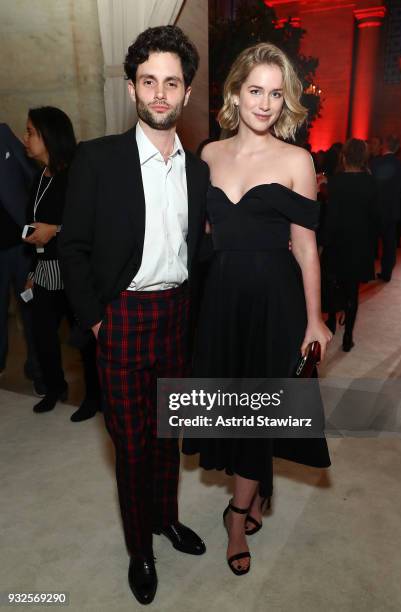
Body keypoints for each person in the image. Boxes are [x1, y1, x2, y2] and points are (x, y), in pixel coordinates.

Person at [59, 26, 209, 605]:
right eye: (149, 81)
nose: (161, 93)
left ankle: (167, 520)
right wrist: (97, 319)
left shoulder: (197, 171)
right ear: (131, 89)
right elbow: (72, 249)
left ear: (187, 92)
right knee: (131, 442)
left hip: (176, 317)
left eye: (172, 82)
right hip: (121, 317)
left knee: (167, 433)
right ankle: (139, 549)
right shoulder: (98, 160)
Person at [183, 43, 332, 576]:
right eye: (255, 90)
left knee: (258, 415)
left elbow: (307, 248)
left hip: (276, 302)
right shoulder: (208, 154)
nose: (265, 103)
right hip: (221, 300)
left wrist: (315, 319)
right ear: (235, 92)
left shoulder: (296, 160)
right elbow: (198, 235)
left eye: (275, 92)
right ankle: (250, 492)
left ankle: (237, 513)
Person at [23, 106, 100, 419]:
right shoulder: (39, 175)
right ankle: (55, 388)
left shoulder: (75, 174)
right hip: (44, 269)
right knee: (42, 335)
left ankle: (94, 397)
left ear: (48, 136)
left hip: (72, 271)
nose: (25, 138)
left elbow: (93, 225)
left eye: (30, 132)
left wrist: (54, 230)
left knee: (85, 341)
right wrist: (31, 269)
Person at [321, 138, 378, 351]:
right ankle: (348, 337)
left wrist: (324, 242)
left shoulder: (336, 182)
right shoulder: (371, 182)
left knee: (333, 282)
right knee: (352, 291)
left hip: (338, 241)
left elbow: (331, 217)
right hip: (360, 243)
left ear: (344, 156)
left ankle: (332, 321)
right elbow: (375, 217)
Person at [0, 122, 44, 393]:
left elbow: (31, 172)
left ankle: (39, 370)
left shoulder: (2, 133)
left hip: (20, 244)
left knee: (31, 310)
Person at [370, 135, 401, 282]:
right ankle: (387, 273)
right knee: (389, 243)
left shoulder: (374, 163)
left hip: (375, 209)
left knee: (370, 242)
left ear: (384, 146)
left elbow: (370, 188)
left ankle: (367, 272)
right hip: (392, 210)